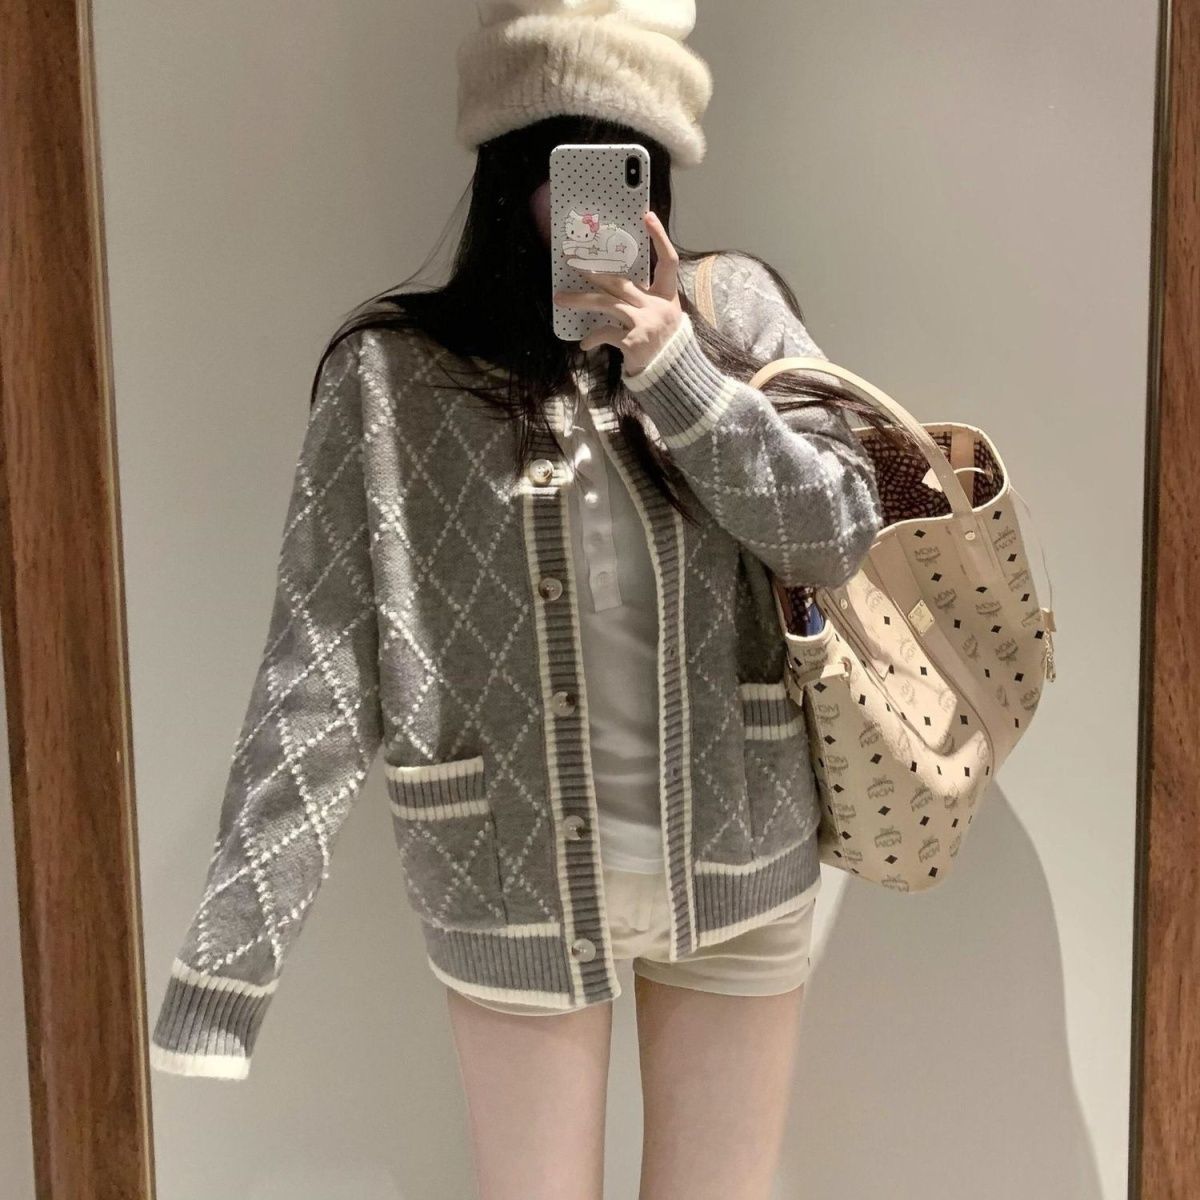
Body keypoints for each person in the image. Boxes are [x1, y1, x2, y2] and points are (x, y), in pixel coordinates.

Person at [149, 3, 887, 1197]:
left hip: (740, 865)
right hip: (508, 881)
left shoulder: (733, 313)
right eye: (560, 161)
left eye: (620, 162)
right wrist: (229, 968)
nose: (587, 204)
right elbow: (317, 669)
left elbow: (838, 529)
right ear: (505, 175)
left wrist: (675, 368)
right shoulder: (393, 377)